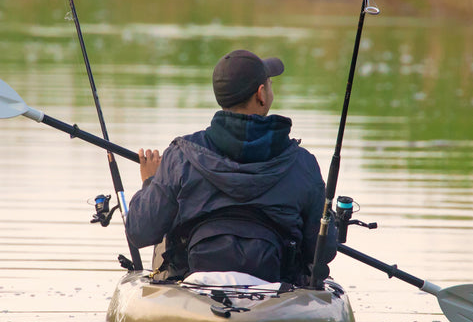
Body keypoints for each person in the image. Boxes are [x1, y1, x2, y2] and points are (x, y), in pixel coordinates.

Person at [127, 49, 336, 285]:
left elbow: (140, 232)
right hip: (276, 289)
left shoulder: (180, 156)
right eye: (270, 84)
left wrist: (151, 182)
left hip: (192, 289)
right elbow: (324, 250)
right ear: (261, 94)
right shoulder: (303, 163)